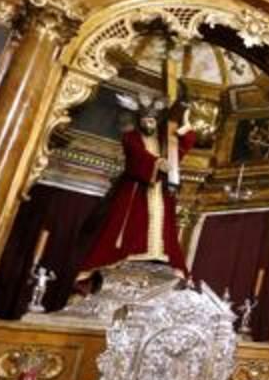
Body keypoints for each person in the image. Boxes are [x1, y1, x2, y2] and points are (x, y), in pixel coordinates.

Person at [76, 94, 197, 286]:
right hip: (135, 191)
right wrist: (157, 163)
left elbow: (179, 149)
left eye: (152, 120)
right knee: (130, 223)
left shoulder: (164, 141)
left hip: (160, 192)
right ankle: (124, 256)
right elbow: (136, 156)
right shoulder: (131, 137)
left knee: (163, 227)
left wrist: (184, 124)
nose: (149, 124)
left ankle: (158, 256)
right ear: (139, 121)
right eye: (145, 120)